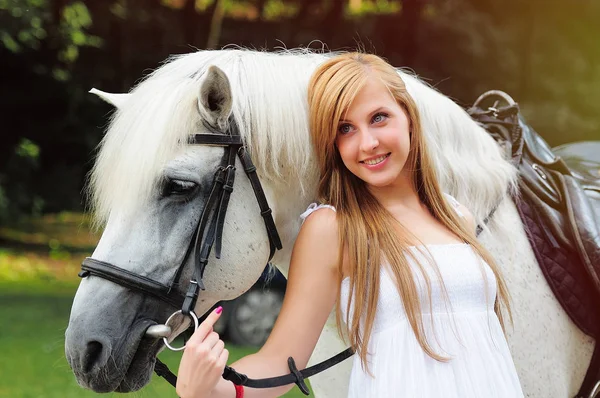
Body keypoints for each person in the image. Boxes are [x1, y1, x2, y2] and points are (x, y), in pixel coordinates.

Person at [175, 52, 524, 398]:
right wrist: (213, 389)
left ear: (409, 117)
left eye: (379, 118)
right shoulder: (332, 228)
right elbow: (280, 362)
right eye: (345, 128)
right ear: (332, 143)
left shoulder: (455, 214)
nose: (367, 143)